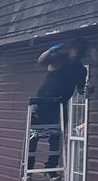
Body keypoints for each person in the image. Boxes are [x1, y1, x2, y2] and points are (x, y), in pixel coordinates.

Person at [28, 42, 86, 171]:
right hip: (42, 102)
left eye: (81, 51)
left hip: (59, 104)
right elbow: (41, 60)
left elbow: (81, 90)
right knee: (33, 136)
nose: (78, 53)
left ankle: (51, 168)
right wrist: (50, 50)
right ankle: (29, 169)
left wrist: (89, 89)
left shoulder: (81, 69)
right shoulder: (60, 58)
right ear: (71, 50)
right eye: (76, 50)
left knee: (56, 137)